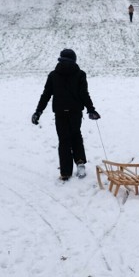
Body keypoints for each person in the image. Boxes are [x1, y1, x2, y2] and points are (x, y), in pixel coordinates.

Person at [32, 49, 101, 181]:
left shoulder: (53, 75)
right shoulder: (80, 74)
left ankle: (65, 172)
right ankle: (80, 164)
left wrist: (38, 111)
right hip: (75, 112)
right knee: (76, 136)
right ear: (74, 60)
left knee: (63, 140)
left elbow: (46, 95)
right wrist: (91, 109)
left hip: (60, 112)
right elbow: (84, 94)